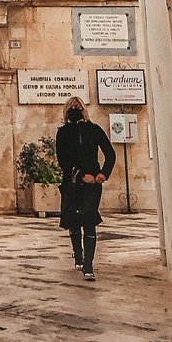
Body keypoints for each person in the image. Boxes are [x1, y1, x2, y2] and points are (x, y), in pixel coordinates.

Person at [56, 97, 116, 281]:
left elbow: (110, 153)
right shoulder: (63, 133)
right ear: (67, 111)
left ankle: (88, 264)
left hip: (92, 184)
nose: (75, 109)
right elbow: (63, 160)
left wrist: (103, 174)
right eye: (72, 107)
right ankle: (78, 254)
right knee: (74, 220)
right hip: (72, 182)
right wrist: (81, 175)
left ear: (84, 109)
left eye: (78, 107)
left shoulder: (94, 130)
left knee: (89, 218)